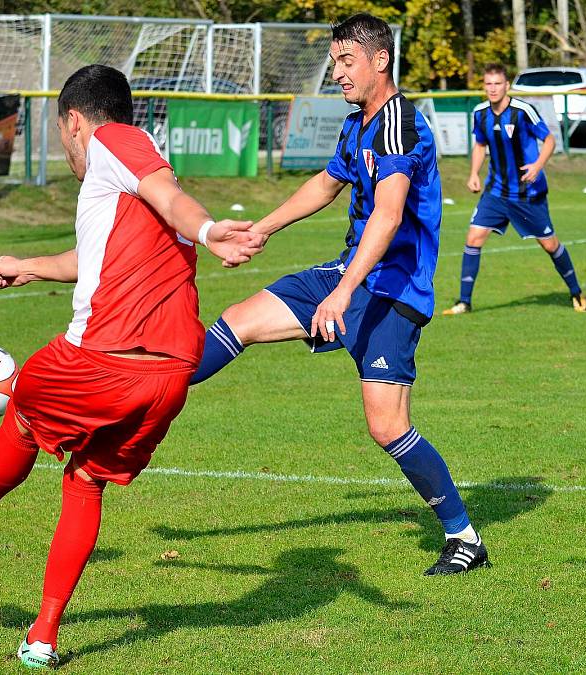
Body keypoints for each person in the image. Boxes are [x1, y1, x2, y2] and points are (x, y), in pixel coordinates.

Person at [0, 64, 263, 669]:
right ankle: (42, 636)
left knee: (21, 404)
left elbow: (176, 200)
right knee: (84, 481)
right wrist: (30, 265)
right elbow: (95, 258)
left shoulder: (115, 141)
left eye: (58, 132)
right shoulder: (123, 180)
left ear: (75, 121)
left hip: (105, 356)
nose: (62, 146)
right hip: (170, 376)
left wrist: (207, 230)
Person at [190, 13, 490, 576]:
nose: (337, 73)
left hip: (392, 291)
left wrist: (344, 293)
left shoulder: (398, 121)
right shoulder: (359, 123)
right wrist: (262, 227)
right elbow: (327, 183)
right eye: (334, 62)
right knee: (239, 320)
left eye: (346, 61)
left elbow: (390, 212)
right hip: (347, 275)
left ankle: (465, 538)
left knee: (387, 427)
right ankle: (146, 388)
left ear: (380, 60)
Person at [443, 63, 586, 314]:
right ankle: (464, 302)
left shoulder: (523, 111)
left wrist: (537, 166)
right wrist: (474, 173)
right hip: (496, 191)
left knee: (550, 245)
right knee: (473, 238)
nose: (493, 89)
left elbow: (550, 140)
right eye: (488, 84)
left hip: (527, 194)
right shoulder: (480, 113)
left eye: (497, 84)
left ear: (506, 85)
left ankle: (576, 293)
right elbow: (479, 145)